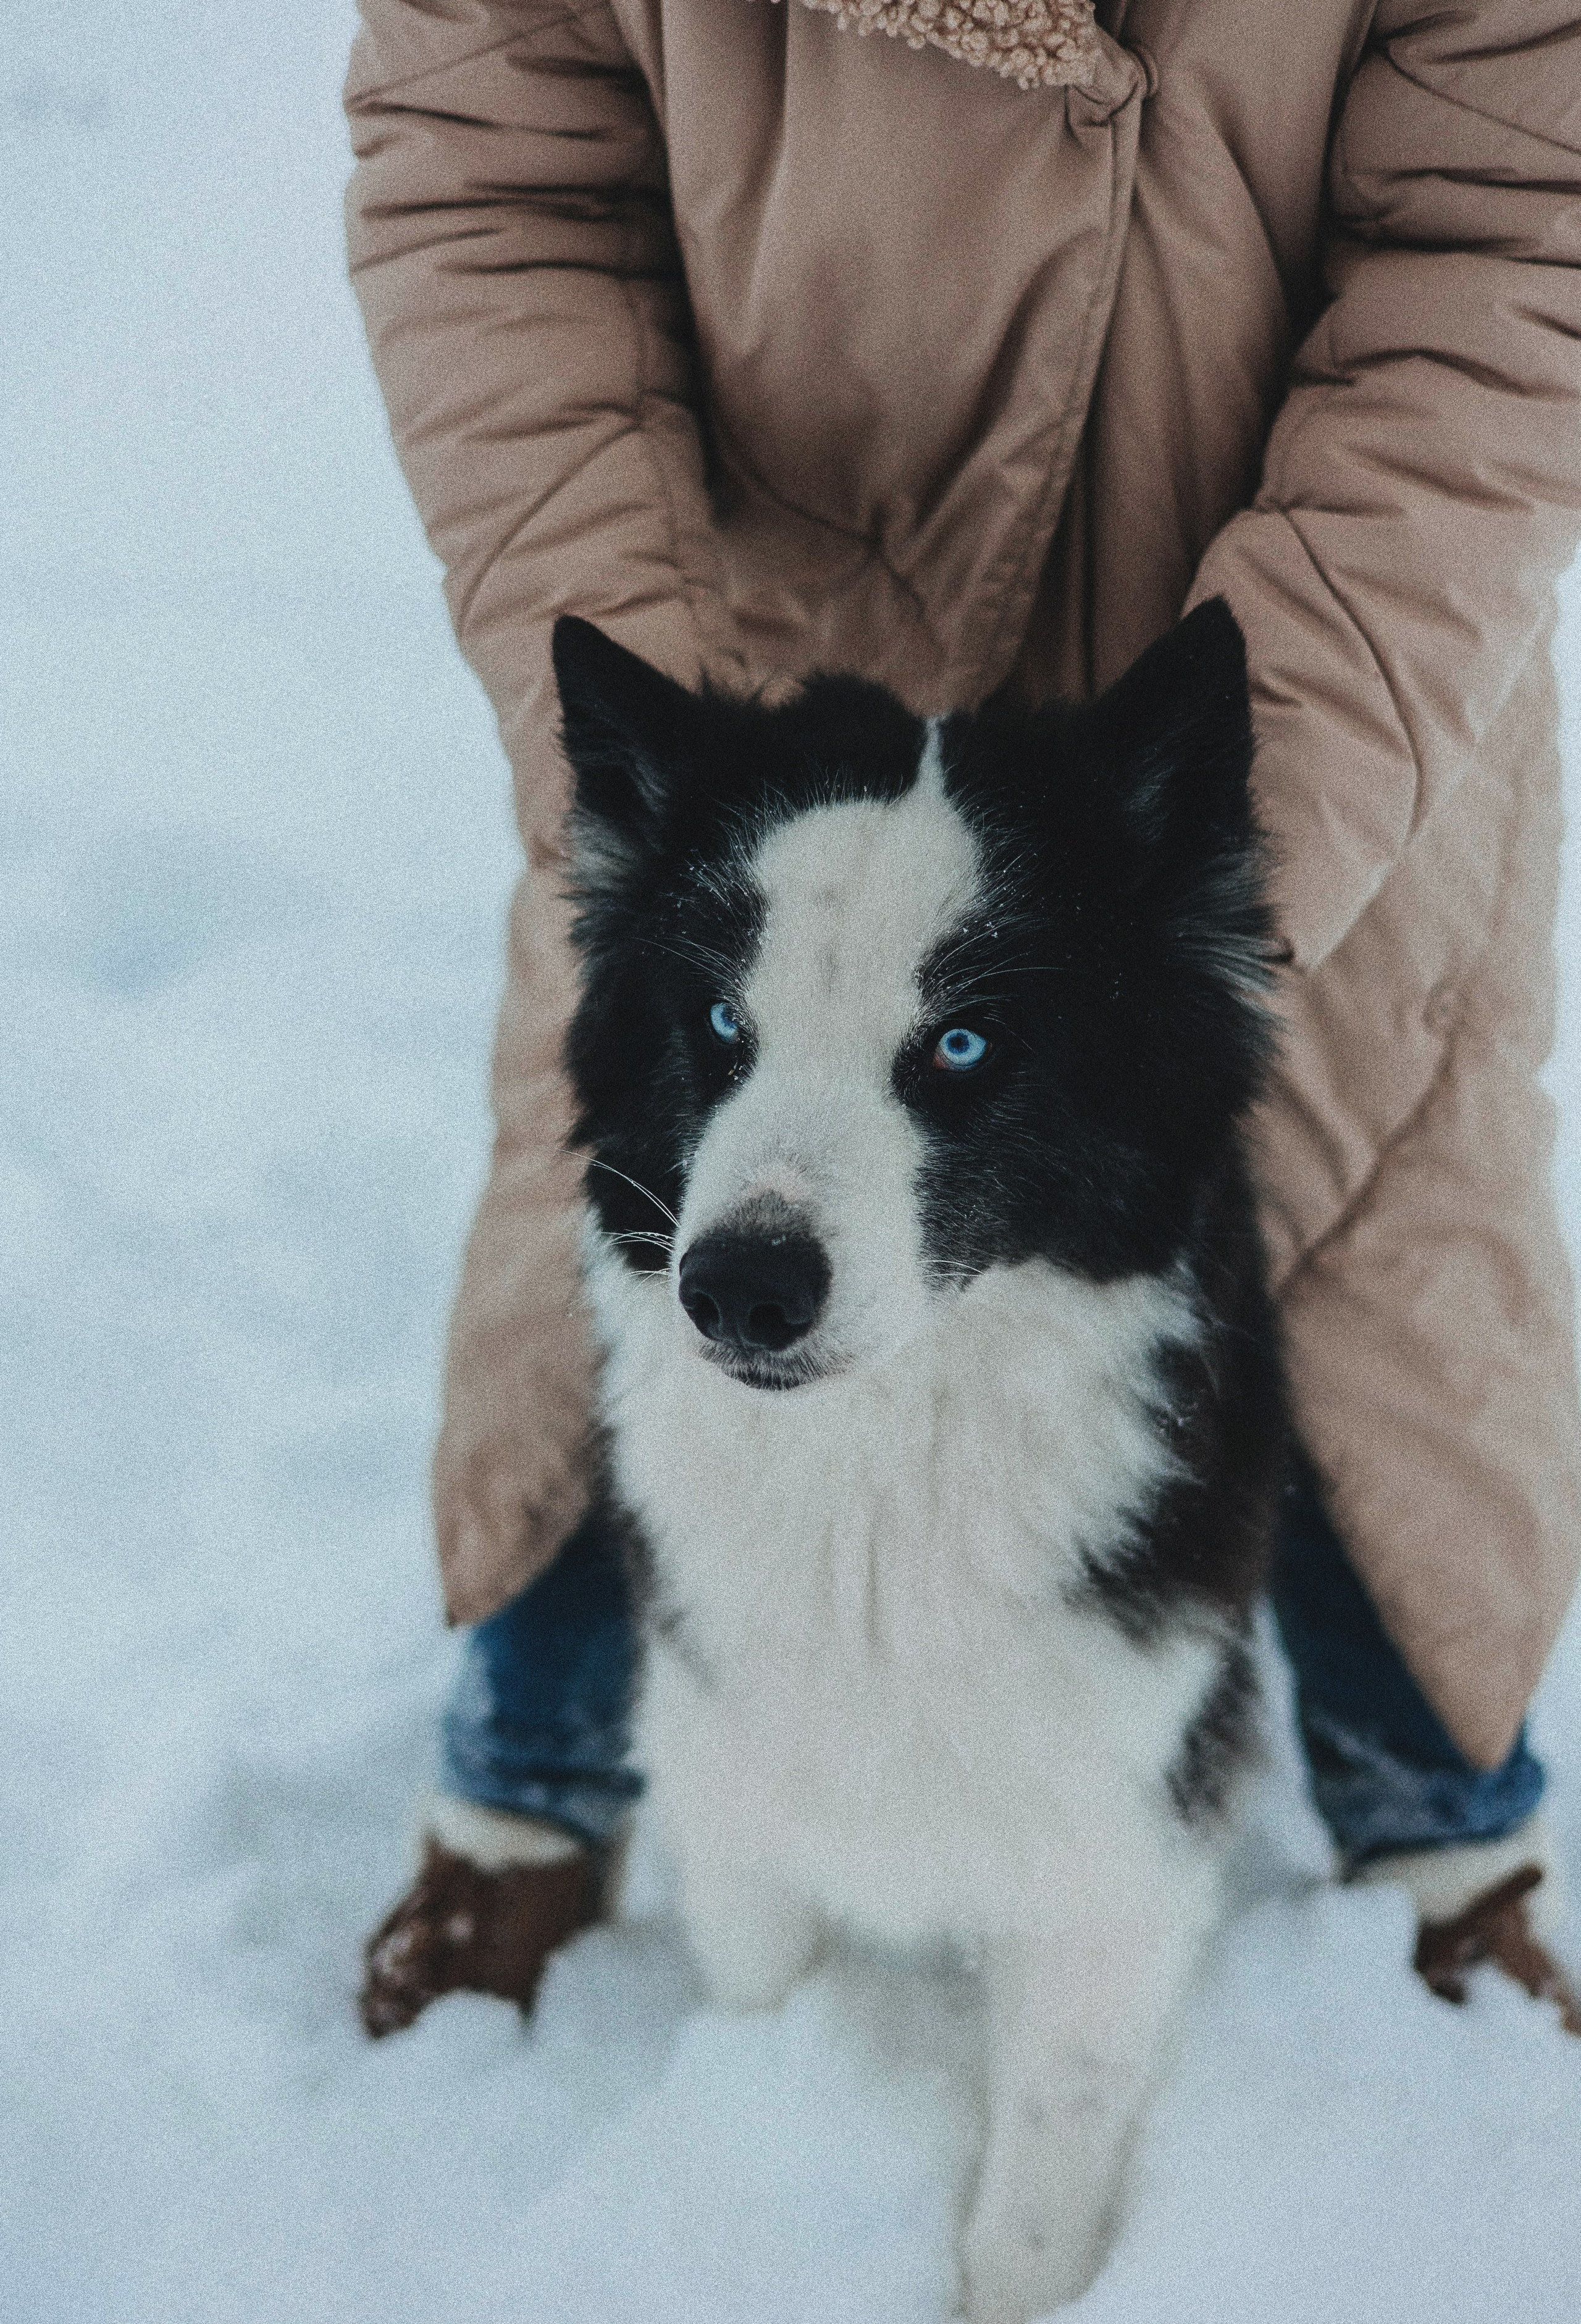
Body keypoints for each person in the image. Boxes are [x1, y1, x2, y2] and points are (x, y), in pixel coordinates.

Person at [345, 0, 1581, 2039]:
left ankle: (1438, 1817)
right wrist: (679, 771)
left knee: (1366, 1235)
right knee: (646, 1212)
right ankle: (529, 1775)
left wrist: (1231, 818)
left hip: (1287, 696)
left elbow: (1522, 227)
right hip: (761, 672)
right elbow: (493, 171)